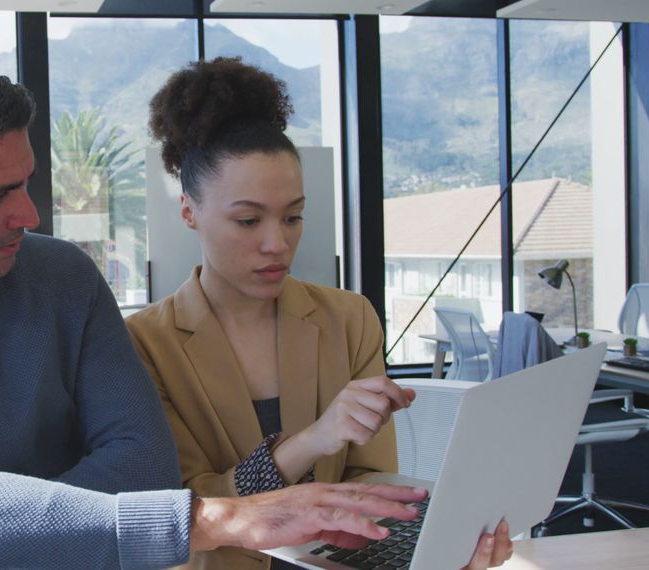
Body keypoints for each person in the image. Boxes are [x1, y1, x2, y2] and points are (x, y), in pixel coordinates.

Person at [0, 54, 428, 569]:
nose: (31, 214)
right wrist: (219, 519)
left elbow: (143, 469)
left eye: (26, 183)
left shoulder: (60, 275)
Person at [126, 57, 514, 570]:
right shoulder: (143, 344)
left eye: (293, 216)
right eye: (247, 220)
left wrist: (433, 550)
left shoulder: (348, 319)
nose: (277, 243)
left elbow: (371, 483)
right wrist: (311, 441)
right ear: (189, 212)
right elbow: (187, 514)